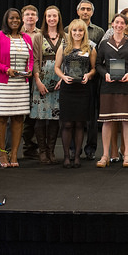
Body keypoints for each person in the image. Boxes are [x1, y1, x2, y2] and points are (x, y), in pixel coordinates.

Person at [0, 8, 34, 168]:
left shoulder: (26, 38)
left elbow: (31, 58)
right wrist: (5, 69)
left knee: (18, 117)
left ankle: (14, 153)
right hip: (2, 83)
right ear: (6, 20)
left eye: (17, 18)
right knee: (1, 117)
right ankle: (2, 153)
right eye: (11, 18)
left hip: (20, 83)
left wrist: (30, 70)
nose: (15, 21)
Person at [95, 13, 128, 168]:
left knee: (127, 121)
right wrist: (105, 74)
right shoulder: (104, 44)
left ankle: (127, 154)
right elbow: (98, 65)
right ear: (112, 24)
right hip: (108, 87)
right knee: (107, 121)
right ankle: (105, 155)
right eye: (117, 22)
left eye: (122, 23)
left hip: (127, 86)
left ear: (126, 25)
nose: (119, 25)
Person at [55, 19, 97, 169]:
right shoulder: (64, 46)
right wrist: (63, 77)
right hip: (68, 89)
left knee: (80, 124)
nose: (77, 33)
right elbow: (57, 67)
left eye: (80, 31)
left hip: (83, 89)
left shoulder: (90, 48)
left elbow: (93, 68)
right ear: (70, 32)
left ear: (84, 32)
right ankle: (67, 156)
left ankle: (77, 156)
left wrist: (89, 75)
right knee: (66, 123)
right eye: (74, 30)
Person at [31, 5, 64, 165]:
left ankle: (51, 150)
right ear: (45, 18)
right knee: (40, 117)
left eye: (54, 16)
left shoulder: (65, 36)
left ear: (58, 18)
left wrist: (62, 78)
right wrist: (37, 80)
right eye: (49, 16)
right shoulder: (38, 36)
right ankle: (42, 151)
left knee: (54, 117)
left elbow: (66, 60)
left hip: (59, 80)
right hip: (41, 78)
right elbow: (35, 60)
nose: (52, 19)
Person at [73, 0, 105, 161]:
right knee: (74, 115)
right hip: (72, 80)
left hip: (92, 78)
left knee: (92, 115)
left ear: (92, 13)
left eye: (88, 9)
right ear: (78, 11)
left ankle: (91, 148)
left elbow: (101, 55)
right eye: (83, 9)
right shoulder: (68, 29)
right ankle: (73, 148)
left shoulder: (99, 32)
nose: (85, 12)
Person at [20, 5, 40, 160]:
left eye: (33, 14)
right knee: (19, 112)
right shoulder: (16, 34)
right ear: (22, 17)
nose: (30, 17)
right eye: (27, 14)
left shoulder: (41, 34)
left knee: (33, 114)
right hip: (20, 76)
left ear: (37, 18)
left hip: (37, 76)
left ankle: (30, 147)